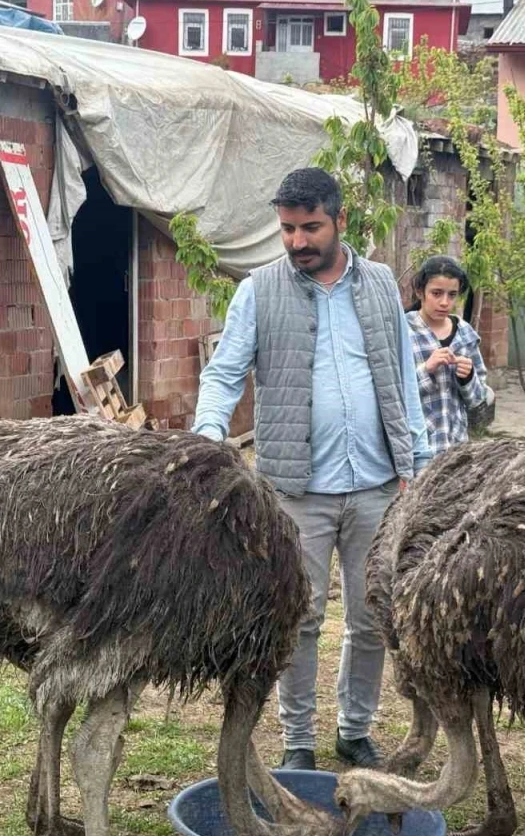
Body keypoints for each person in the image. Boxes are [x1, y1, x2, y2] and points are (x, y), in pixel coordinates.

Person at [194, 167, 433, 771]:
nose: (297, 241)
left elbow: (402, 378)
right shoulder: (258, 291)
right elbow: (224, 374)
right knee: (298, 619)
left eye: (310, 228)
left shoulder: (380, 284)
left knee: (371, 618)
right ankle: (298, 741)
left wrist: (421, 461)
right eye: (287, 229)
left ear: (340, 220)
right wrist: (207, 438)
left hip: (378, 485)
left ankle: (355, 731)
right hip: (295, 491)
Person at [406, 256, 492, 453]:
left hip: (456, 450)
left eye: (452, 295)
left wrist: (467, 377)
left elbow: (478, 400)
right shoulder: (403, 331)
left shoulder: (465, 333)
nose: (444, 302)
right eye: (436, 293)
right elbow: (392, 395)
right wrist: (426, 369)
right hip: (416, 449)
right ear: (420, 291)